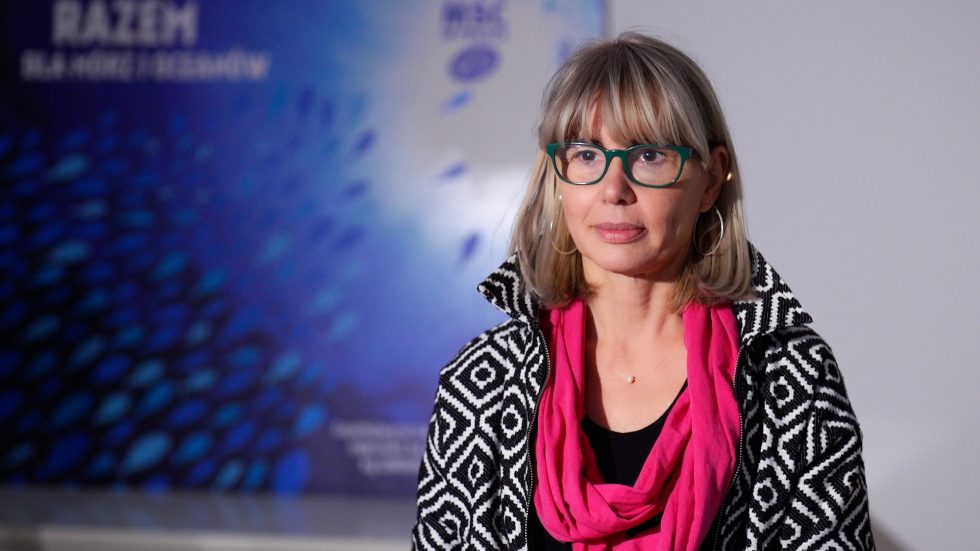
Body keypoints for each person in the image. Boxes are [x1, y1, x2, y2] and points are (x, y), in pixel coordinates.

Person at [412, 32, 873, 550]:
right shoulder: (481, 382)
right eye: (587, 155)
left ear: (711, 180)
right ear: (558, 177)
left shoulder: (792, 377)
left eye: (650, 155)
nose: (614, 189)